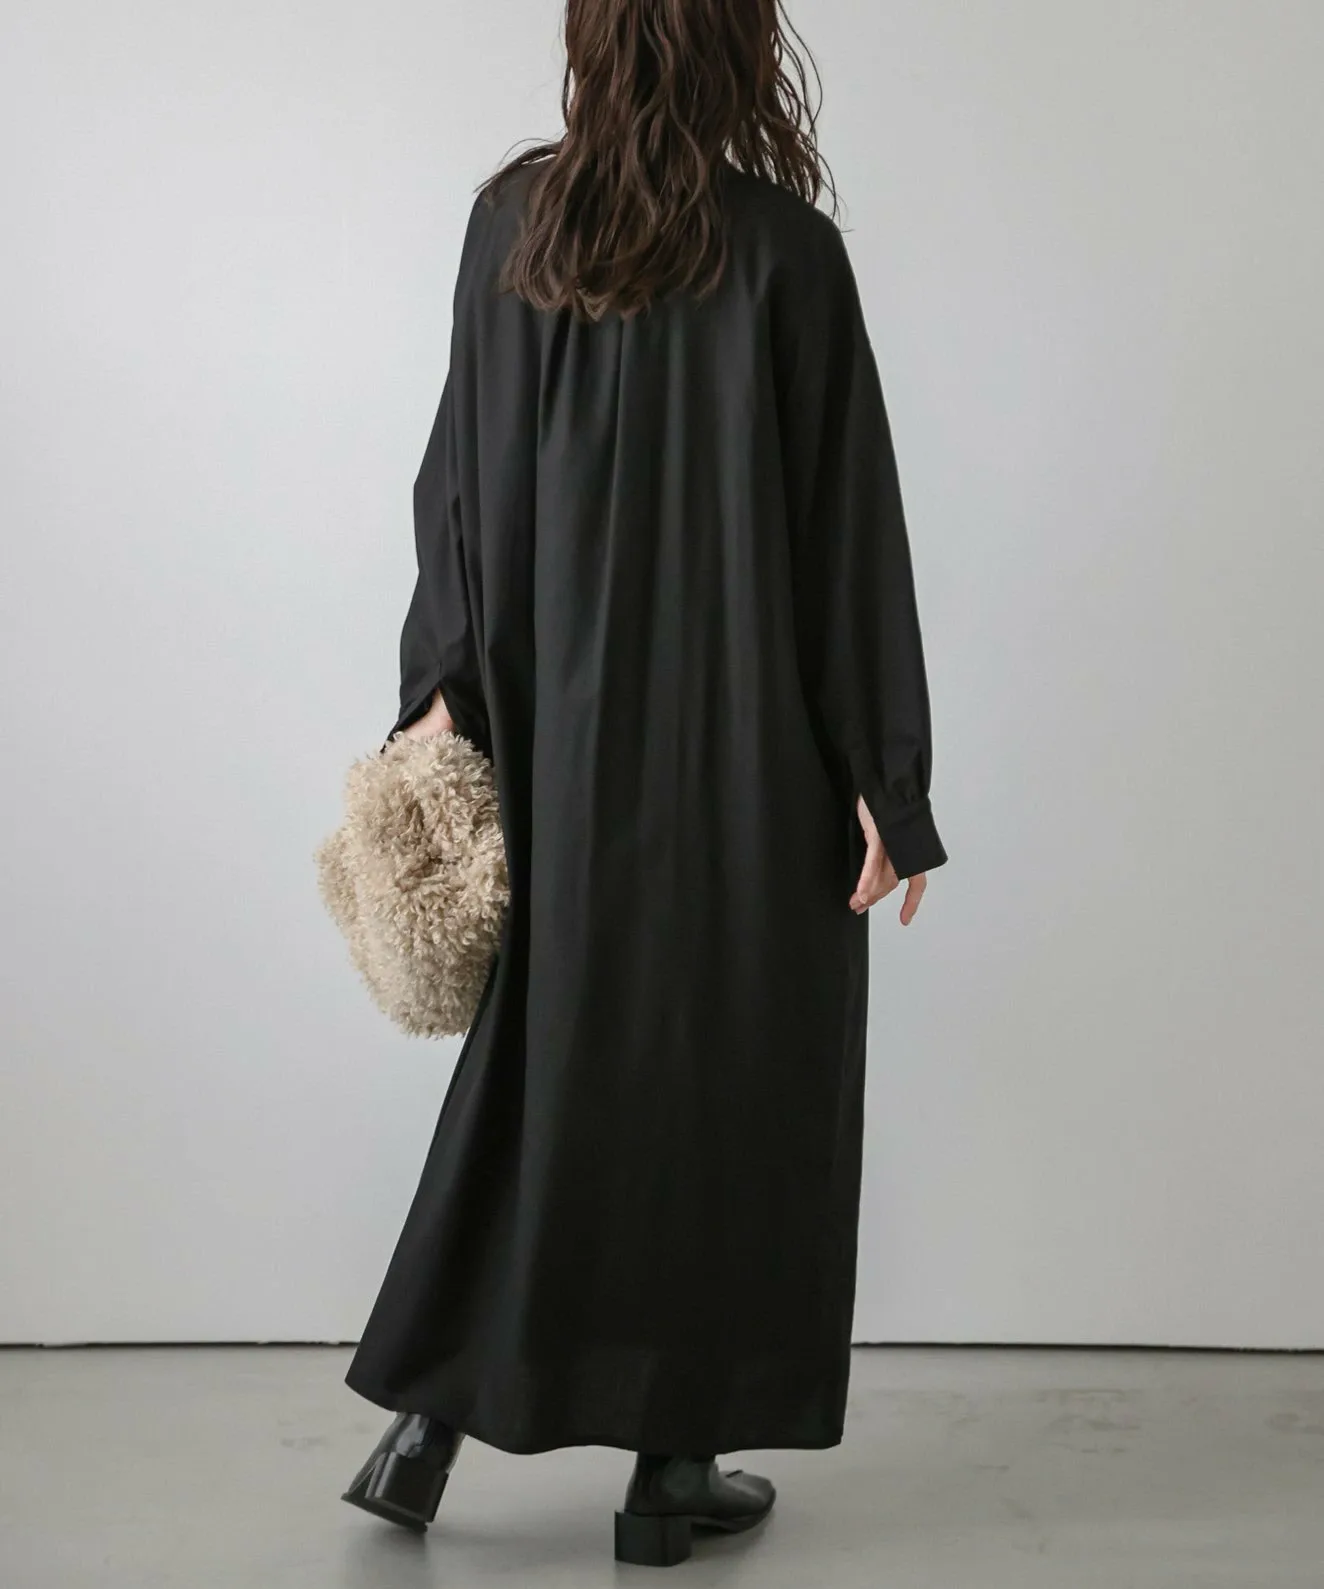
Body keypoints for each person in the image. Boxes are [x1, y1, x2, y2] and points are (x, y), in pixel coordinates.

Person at [340, 0, 949, 1567]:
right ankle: (671, 1474)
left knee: (541, 1075)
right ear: (738, 48)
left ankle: (426, 1425)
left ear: (593, 40)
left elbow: (457, 487)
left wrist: (443, 691)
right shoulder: (785, 254)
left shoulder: (512, 229)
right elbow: (844, 529)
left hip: (553, 748)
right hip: (750, 760)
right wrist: (884, 780)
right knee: (736, 1084)